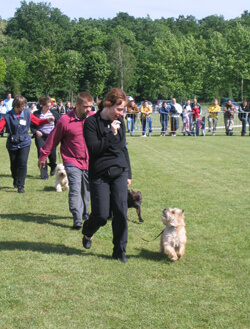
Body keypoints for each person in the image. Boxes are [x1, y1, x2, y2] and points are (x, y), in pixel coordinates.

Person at [82, 88, 132, 262]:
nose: (121, 114)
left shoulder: (120, 122)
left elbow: (123, 148)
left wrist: (129, 173)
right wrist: (110, 135)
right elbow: (94, 149)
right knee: (102, 215)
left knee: (120, 211)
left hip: (119, 171)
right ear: (108, 104)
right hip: (99, 174)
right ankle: (88, 230)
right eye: (119, 109)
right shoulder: (91, 123)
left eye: (123, 110)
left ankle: (119, 252)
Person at [38, 92, 94, 229]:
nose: (89, 110)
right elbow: (53, 138)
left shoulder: (93, 118)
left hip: (89, 161)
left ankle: (85, 214)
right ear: (78, 105)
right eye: (86, 107)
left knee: (86, 190)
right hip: (71, 160)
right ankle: (77, 218)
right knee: (75, 188)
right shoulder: (65, 120)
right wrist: (43, 154)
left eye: (91, 107)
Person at [0, 95, 55, 193]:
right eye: (22, 106)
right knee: (14, 165)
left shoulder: (27, 113)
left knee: (22, 163)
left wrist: (47, 120)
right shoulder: (7, 116)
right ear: (16, 105)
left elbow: (37, 122)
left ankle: (21, 185)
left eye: (25, 105)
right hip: (12, 143)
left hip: (25, 142)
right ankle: (15, 179)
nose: (24, 107)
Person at [30, 97, 60, 179]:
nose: (49, 107)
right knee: (41, 154)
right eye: (47, 106)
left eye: (50, 106)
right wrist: (36, 131)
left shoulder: (54, 113)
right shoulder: (36, 114)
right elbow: (32, 125)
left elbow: (59, 124)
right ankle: (44, 175)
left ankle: (53, 165)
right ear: (42, 105)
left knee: (52, 154)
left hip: (51, 136)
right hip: (41, 136)